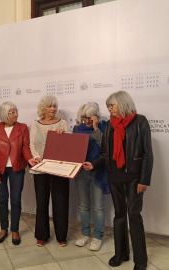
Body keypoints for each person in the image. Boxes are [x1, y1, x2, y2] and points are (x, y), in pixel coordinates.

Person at [83, 91, 153, 270]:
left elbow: (147, 154)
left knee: (134, 217)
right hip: (114, 177)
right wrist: (94, 164)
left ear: (122, 104)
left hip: (134, 178)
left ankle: (141, 260)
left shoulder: (140, 121)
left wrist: (144, 180)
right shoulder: (110, 127)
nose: (109, 109)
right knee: (119, 216)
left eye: (111, 105)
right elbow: (105, 153)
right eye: (108, 106)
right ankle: (121, 253)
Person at [0, 101, 38, 245]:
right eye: (12, 112)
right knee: (2, 200)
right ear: (4, 114)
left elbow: (25, 148)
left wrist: (30, 160)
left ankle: (15, 230)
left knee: (15, 201)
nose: (16, 114)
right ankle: (3, 229)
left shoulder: (22, 128)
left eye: (16, 111)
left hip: (17, 169)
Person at [30, 95, 69, 247]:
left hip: (59, 169)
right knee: (41, 203)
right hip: (41, 169)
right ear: (43, 109)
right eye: (49, 106)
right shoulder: (35, 125)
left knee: (61, 202)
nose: (52, 109)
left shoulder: (63, 123)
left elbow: (68, 146)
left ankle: (61, 236)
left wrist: (63, 136)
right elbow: (32, 145)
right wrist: (37, 158)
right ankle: (42, 235)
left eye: (54, 106)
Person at [73, 102, 109, 251]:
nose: (86, 121)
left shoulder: (103, 127)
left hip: (98, 171)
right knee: (83, 205)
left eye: (90, 118)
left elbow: (105, 147)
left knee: (99, 207)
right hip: (81, 171)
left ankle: (98, 236)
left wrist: (95, 128)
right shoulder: (76, 128)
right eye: (84, 117)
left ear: (96, 116)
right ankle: (85, 234)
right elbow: (72, 148)